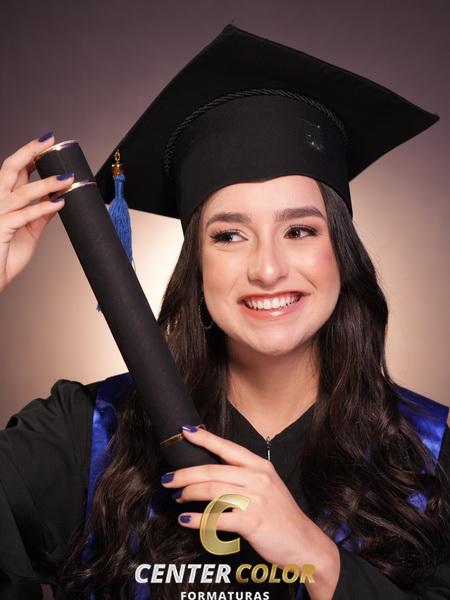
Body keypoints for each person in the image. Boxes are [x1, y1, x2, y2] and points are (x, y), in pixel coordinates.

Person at [1, 24, 449, 600]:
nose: (268, 269)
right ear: (197, 265)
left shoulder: (430, 454)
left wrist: (317, 559)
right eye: (230, 236)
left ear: (341, 250)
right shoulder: (87, 437)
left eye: (299, 230)